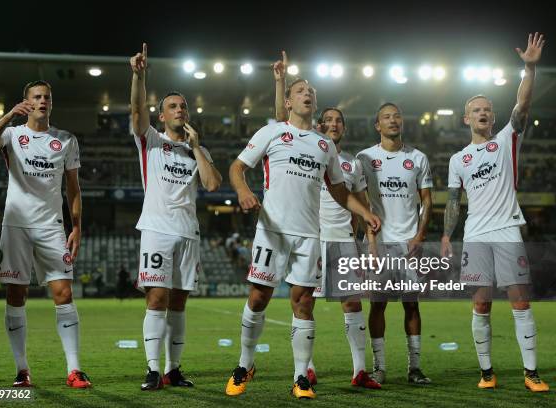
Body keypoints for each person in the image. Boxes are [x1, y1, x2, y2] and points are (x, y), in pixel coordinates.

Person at [225, 53, 381, 399]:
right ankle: (244, 363)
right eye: (300, 90)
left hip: (310, 235)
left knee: (304, 303)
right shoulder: (272, 132)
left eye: (311, 91)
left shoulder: (325, 146)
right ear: (288, 101)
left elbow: (340, 192)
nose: (307, 94)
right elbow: (237, 168)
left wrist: (364, 211)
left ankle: (300, 378)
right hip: (273, 230)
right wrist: (244, 191)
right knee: (258, 296)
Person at [441, 33, 549, 392]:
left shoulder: (506, 139)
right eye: (477, 109)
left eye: (487, 108)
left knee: (520, 299)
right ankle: (486, 372)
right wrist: (446, 235)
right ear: (465, 118)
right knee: (481, 303)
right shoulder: (458, 160)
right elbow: (454, 202)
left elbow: (522, 105)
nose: (483, 112)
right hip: (475, 235)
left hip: (507, 231)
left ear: (493, 115)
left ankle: (531, 372)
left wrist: (529, 69)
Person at [273, 51, 380, 390]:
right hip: (309, 236)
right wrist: (280, 83)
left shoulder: (353, 164)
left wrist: (372, 248)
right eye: (328, 120)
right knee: (304, 301)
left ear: (344, 128)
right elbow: (281, 122)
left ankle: (360, 371)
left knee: (351, 302)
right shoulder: (306, 148)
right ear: (320, 124)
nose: (333, 124)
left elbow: (363, 208)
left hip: (343, 240)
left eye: (339, 121)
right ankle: (303, 371)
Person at [0, 80, 90, 388]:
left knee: (64, 293)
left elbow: (73, 189)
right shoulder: (13, 135)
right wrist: (8, 115)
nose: (43, 101)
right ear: (26, 102)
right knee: (16, 294)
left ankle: (75, 370)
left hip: (51, 227)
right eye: (37, 97)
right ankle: (22, 370)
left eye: (47, 97)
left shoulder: (66, 140)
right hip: (16, 226)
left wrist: (77, 227)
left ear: (51, 103)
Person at [130, 43, 222, 391]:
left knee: (180, 301)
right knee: (157, 298)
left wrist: (197, 147)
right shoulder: (150, 140)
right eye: (172, 106)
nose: (180, 109)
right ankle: (152, 369)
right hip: (156, 229)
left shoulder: (198, 149)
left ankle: (173, 369)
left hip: (188, 232)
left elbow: (213, 184)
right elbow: (136, 110)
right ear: (162, 116)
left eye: (183, 105)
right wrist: (138, 76)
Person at [357, 102, 434, 385]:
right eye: (386, 117)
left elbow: (427, 200)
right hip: (379, 244)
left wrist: (420, 235)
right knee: (378, 305)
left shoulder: (418, 158)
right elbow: (361, 204)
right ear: (377, 125)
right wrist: (368, 243)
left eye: (397, 116)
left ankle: (414, 368)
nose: (393, 120)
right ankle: (379, 368)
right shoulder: (364, 158)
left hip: (409, 243)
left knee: (412, 305)